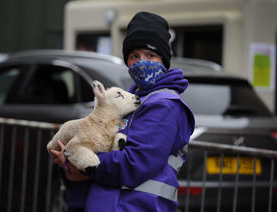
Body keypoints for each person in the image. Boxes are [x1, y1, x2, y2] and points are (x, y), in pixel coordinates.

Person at [50, 11, 195, 212]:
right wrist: (69, 164)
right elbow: (97, 154)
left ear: (164, 61)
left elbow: (135, 163)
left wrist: (82, 161)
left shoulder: (165, 105)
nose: (141, 62)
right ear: (127, 62)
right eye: (134, 56)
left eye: (150, 55)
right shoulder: (125, 103)